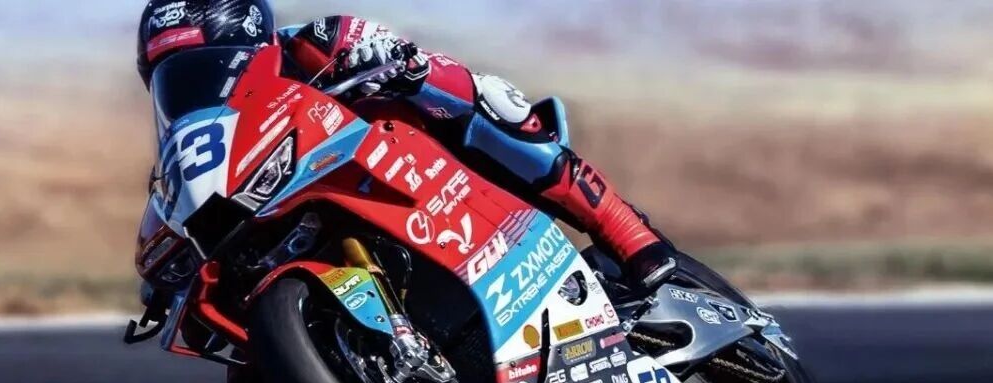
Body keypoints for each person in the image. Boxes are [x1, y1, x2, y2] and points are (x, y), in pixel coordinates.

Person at [136, 0, 678, 297]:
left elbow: (396, 51)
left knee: (493, 101)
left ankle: (623, 229)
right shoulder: (193, 149)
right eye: (174, 81)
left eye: (207, 68)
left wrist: (401, 64)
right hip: (293, 211)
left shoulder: (314, 41)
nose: (193, 88)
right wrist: (163, 285)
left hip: (413, 170)